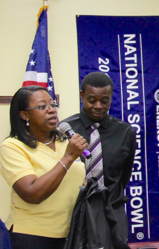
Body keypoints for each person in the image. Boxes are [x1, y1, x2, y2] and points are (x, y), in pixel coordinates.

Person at [0, 86, 88, 249]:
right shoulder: (12, 147)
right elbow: (32, 194)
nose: (51, 110)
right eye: (42, 107)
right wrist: (68, 158)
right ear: (24, 115)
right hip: (32, 236)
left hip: (72, 234)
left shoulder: (65, 142)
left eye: (52, 105)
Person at [61, 72, 136, 243]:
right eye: (92, 100)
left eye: (104, 101)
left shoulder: (125, 132)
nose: (98, 106)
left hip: (112, 210)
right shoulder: (64, 130)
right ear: (82, 96)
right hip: (74, 211)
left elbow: (123, 176)